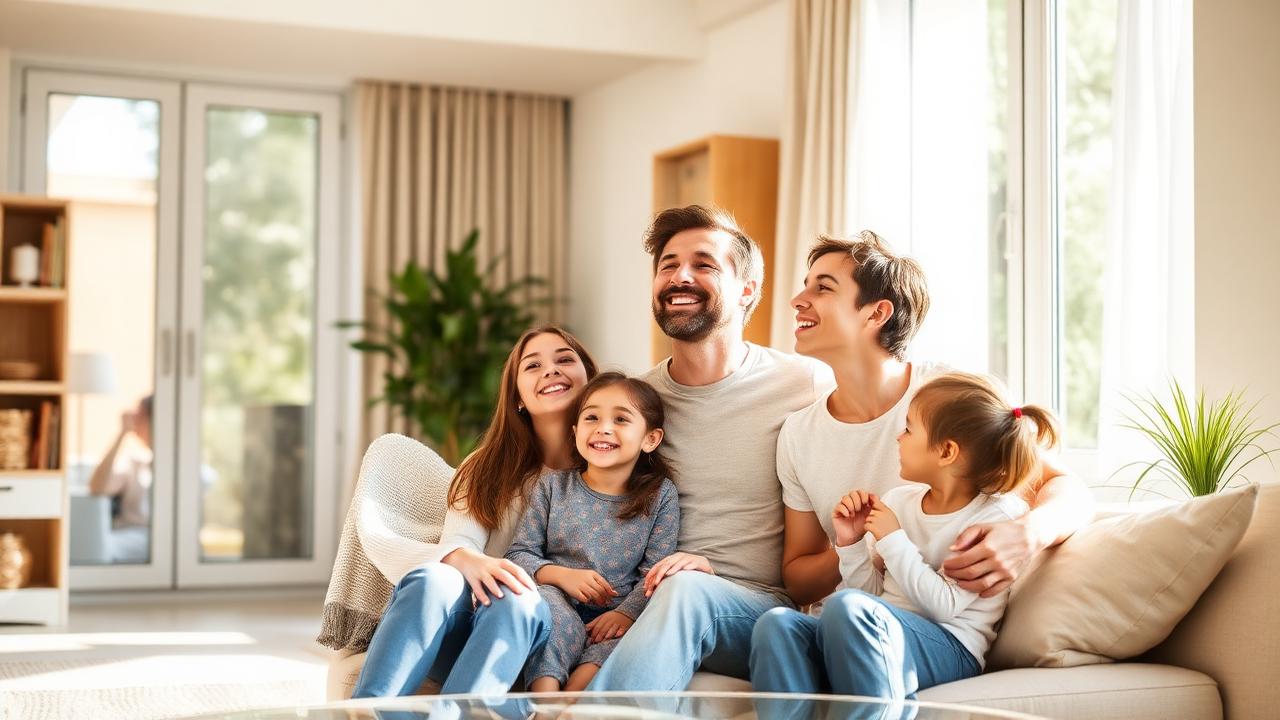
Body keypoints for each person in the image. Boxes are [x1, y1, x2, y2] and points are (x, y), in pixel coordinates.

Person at [773, 232, 1092, 625]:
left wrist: (1027, 534)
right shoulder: (798, 433)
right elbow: (798, 581)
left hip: (943, 627)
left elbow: (1070, 489)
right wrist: (866, 541)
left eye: (823, 288)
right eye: (806, 285)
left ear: (876, 314)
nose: (797, 300)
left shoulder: (946, 393)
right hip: (846, 623)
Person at [587, 205, 832, 691]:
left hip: (760, 609)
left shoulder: (804, 383)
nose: (680, 276)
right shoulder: (636, 403)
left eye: (704, 264)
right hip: (653, 599)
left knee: (685, 592)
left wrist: (1027, 517)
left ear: (747, 291)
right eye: (668, 265)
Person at [751, 372, 1061, 700]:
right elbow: (867, 596)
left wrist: (893, 539)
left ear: (947, 452)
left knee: (847, 608)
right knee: (778, 626)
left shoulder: (993, 517)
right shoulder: (900, 501)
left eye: (909, 429)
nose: (899, 437)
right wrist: (852, 544)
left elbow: (944, 607)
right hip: (883, 630)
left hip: (951, 645)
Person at [352, 325, 599, 698]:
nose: (551, 370)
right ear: (517, 397)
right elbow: (459, 542)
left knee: (515, 595)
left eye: (565, 359)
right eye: (533, 366)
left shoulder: (612, 476)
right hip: (471, 624)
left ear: (591, 382)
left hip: (541, 633)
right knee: (434, 579)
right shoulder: (485, 468)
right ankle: (370, 709)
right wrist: (469, 560)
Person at [506, 372, 680, 692]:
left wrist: (626, 615)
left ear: (650, 439)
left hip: (616, 615)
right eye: (592, 417)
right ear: (575, 433)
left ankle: (571, 703)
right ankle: (544, 706)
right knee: (550, 614)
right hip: (557, 600)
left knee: (622, 645)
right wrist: (560, 576)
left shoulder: (661, 495)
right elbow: (519, 554)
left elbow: (656, 572)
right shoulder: (554, 486)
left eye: (621, 419)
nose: (603, 427)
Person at [88, 394, 153, 530]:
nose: (135, 421)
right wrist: (122, 433)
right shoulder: (135, 462)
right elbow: (97, 488)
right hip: (130, 534)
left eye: (140, 416)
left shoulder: (181, 466)